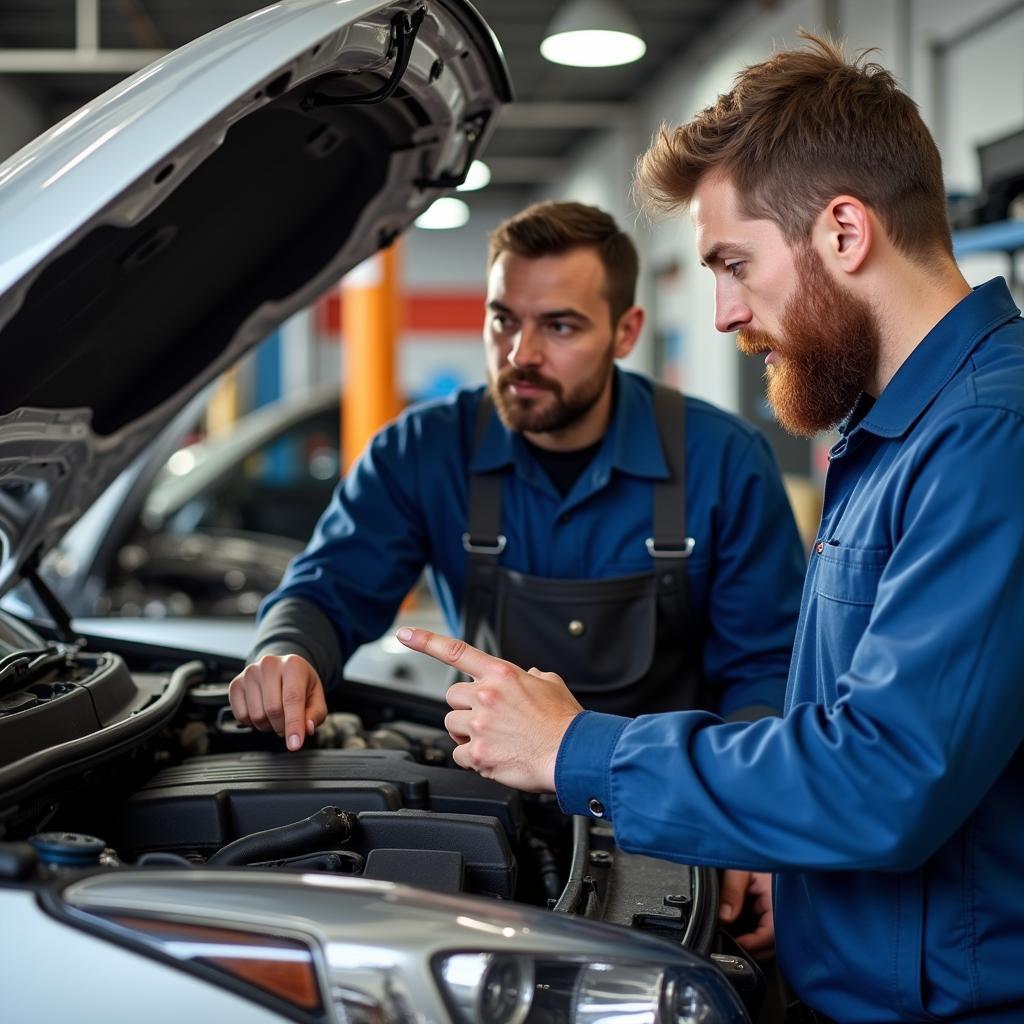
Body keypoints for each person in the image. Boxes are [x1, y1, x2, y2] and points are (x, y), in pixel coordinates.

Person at [395, 34, 1024, 1024]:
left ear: (844, 232)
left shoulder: (991, 437)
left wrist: (581, 749)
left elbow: (885, 774)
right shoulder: (895, 429)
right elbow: (841, 724)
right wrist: (783, 856)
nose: (725, 312)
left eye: (735, 263)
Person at [229, 200, 804, 747]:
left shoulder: (723, 461)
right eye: (503, 320)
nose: (519, 354)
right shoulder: (422, 451)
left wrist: (734, 804)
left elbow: (766, 670)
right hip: (491, 798)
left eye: (559, 327)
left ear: (625, 332)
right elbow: (330, 590)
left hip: (664, 802)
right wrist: (289, 651)